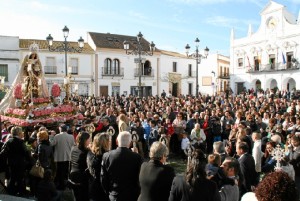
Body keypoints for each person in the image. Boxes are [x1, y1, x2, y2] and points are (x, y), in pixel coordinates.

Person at [101, 131, 143, 201]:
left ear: (117, 141)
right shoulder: (137, 157)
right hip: (132, 195)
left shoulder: (106, 156)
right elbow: (140, 177)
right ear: (130, 144)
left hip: (114, 194)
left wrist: (109, 191)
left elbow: (103, 178)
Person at [0, 126, 31, 196]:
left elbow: (3, 153)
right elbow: (26, 153)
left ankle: (12, 191)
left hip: (11, 163)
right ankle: (21, 192)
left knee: (12, 178)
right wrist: (30, 160)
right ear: (19, 133)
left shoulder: (8, 141)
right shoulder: (21, 142)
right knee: (20, 178)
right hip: (20, 163)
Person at [49, 124, 75, 190]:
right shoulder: (71, 136)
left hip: (59, 157)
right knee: (66, 171)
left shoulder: (57, 136)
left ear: (60, 129)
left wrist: (51, 136)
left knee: (59, 172)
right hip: (68, 156)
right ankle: (66, 185)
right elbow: (74, 146)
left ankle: (61, 185)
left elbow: (51, 143)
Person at [87, 133, 110, 201]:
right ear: (105, 143)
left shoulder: (90, 153)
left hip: (92, 186)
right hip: (103, 189)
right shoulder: (105, 156)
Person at [69, 132, 91, 201]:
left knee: (76, 196)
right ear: (85, 140)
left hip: (73, 175)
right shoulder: (86, 151)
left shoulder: (73, 148)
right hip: (82, 178)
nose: (90, 141)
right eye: (89, 139)